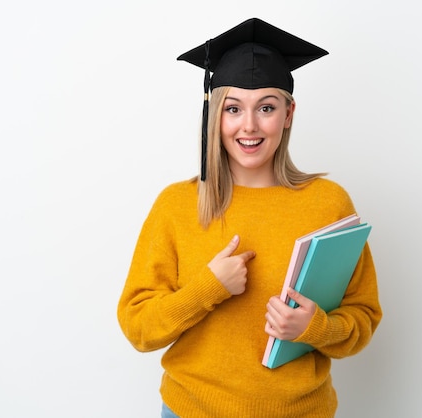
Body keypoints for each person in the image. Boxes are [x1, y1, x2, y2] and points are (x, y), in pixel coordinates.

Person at [117, 18, 382, 418]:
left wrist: (315, 328)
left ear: (288, 114)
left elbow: (362, 315)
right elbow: (138, 328)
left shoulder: (328, 204)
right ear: (215, 115)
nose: (250, 125)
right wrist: (207, 288)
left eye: (267, 108)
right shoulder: (177, 205)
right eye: (233, 108)